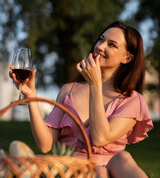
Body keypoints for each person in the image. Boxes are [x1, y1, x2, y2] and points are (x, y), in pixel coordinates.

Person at [9, 21, 153, 178]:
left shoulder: (132, 100)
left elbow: (100, 138)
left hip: (111, 170)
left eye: (112, 45)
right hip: (70, 170)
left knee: (120, 159)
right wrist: (32, 95)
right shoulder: (69, 91)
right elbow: (45, 145)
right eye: (101, 39)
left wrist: (95, 85)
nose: (100, 46)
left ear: (127, 58)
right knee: (98, 171)